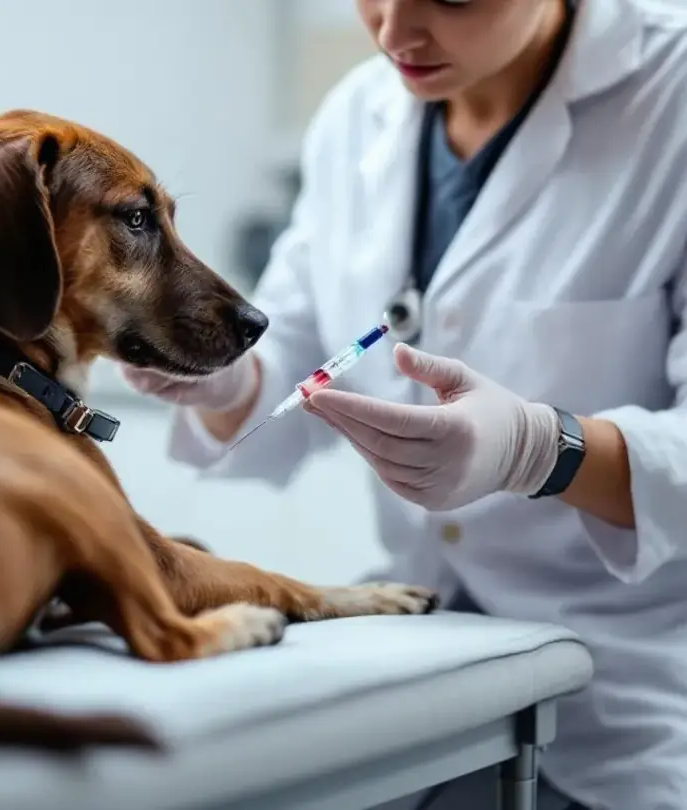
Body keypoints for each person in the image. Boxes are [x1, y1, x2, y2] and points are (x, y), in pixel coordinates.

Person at [121, 0, 687, 808]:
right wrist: (224, 383)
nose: (394, 33)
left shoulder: (671, 101)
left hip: (622, 698)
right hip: (414, 670)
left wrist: (542, 450)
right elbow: (297, 360)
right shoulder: (359, 112)